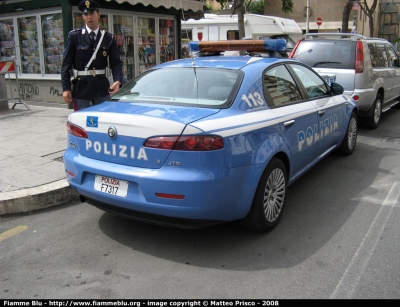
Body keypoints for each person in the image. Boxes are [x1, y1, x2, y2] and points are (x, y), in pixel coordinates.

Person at [61, 0, 123, 110]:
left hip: (101, 88)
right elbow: (66, 64)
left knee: (101, 121)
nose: (89, 17)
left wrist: (117, 81)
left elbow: (116, 63)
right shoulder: (75, 36)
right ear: (83, 16)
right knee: (81, 122)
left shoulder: (108, 38)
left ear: (98, 15)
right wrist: (66, 88)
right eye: (86, 14)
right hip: (81, 89)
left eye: (92, 13)